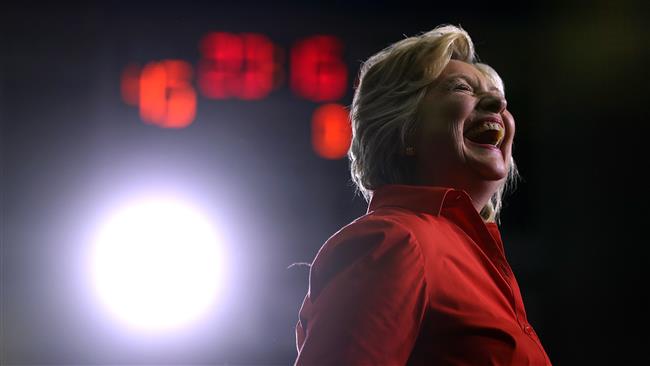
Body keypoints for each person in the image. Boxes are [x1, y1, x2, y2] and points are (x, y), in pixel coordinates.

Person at [294, 25, 551, 365]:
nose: (498, 103)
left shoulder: (478, 260)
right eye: (461, 88)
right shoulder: (395, 240)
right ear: (404, 131)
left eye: (496, 95)